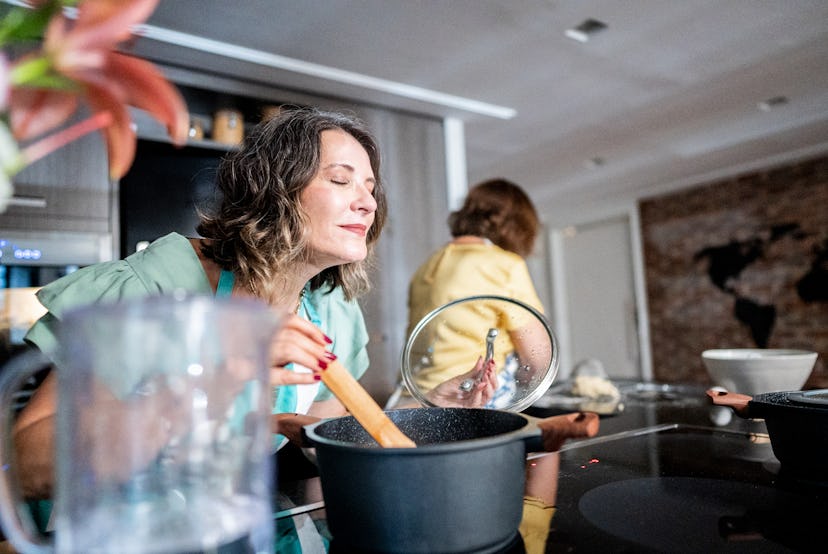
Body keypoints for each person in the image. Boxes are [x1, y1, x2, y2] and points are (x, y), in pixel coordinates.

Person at [12, 107, 497, 503]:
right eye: (341, 180)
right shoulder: (158, 284)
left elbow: (329, 430)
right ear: (277, 189)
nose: (368, 203)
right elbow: (29, 463)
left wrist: (429, 409)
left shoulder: (330, 310)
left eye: (370, 187)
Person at [394, 178, 548, 409]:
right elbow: (538, 359)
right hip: (467, 400)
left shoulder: (429, 264)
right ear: (516, 226)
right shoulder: (504, 264)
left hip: (412, 400)